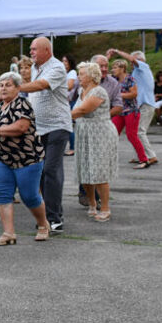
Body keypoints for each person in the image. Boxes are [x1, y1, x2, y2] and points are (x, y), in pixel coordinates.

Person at [0, 71, 49, 245]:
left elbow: (20, 127)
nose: (3, 88)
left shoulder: (22, 103)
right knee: (3, 195)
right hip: (4, 159)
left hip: (27, 159)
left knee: (29, 196)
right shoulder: (1, 104)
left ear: (18, 88)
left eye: (8, 85)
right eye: (1, 85)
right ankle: (8, 233)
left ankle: (43, 225)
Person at [19, 39, 72, 233]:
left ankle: (54, 218)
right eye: (30, 49)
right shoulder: (35, 67)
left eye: (34, 49)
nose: (31, 52)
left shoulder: (56, 67)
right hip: (38, 128)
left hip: (57, 126)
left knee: (51, 169)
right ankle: (48, 214)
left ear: (47, 50)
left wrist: (16, 88)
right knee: (41, 172)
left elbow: (41, 85)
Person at [71, 62, 118, 222]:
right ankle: (91, 204)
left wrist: (63, 117)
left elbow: (83, 110)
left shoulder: (99, 91)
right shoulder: (81, 91)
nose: (79, 76)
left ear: (91, 76)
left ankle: (105, 207)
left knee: (99, 171)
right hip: (84, 133)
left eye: (82, 74)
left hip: (99, 134)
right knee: (85, 170)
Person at [108, 59, 150, 169]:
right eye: (113, 67)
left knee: (132, 135)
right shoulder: (114, 79)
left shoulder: (130, 79)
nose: (113, 70)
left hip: (131, 111)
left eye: (115, 67)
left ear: (122, 69)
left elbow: (134, 94)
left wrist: (119, 95)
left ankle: (144, 160)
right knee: (111, 134)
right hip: (119, 111)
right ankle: (107, 158)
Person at [61, 54, 79, 155]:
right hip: (66, 101)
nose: (64, 63)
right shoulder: (66, 73)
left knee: (68, 125)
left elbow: (69, 86)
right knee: (67, 125)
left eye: (66, 61)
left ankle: (73, 148)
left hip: (70, 102)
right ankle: (72, 147)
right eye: (63, 61)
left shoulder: (72, 72)